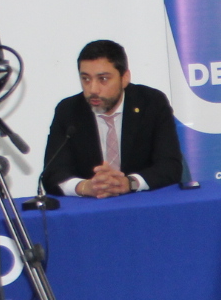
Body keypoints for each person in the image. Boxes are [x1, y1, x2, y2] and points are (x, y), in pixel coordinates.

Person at [41, 39, 182, 197]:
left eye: (103, 79)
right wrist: (85, 187)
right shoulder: (69, 110)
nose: (93, 89)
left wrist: (129, 183)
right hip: (92, 206)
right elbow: (52, 174)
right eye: (86, 79)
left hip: (142, 202)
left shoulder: (151, 103)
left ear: (125, 78)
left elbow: (170, 166)